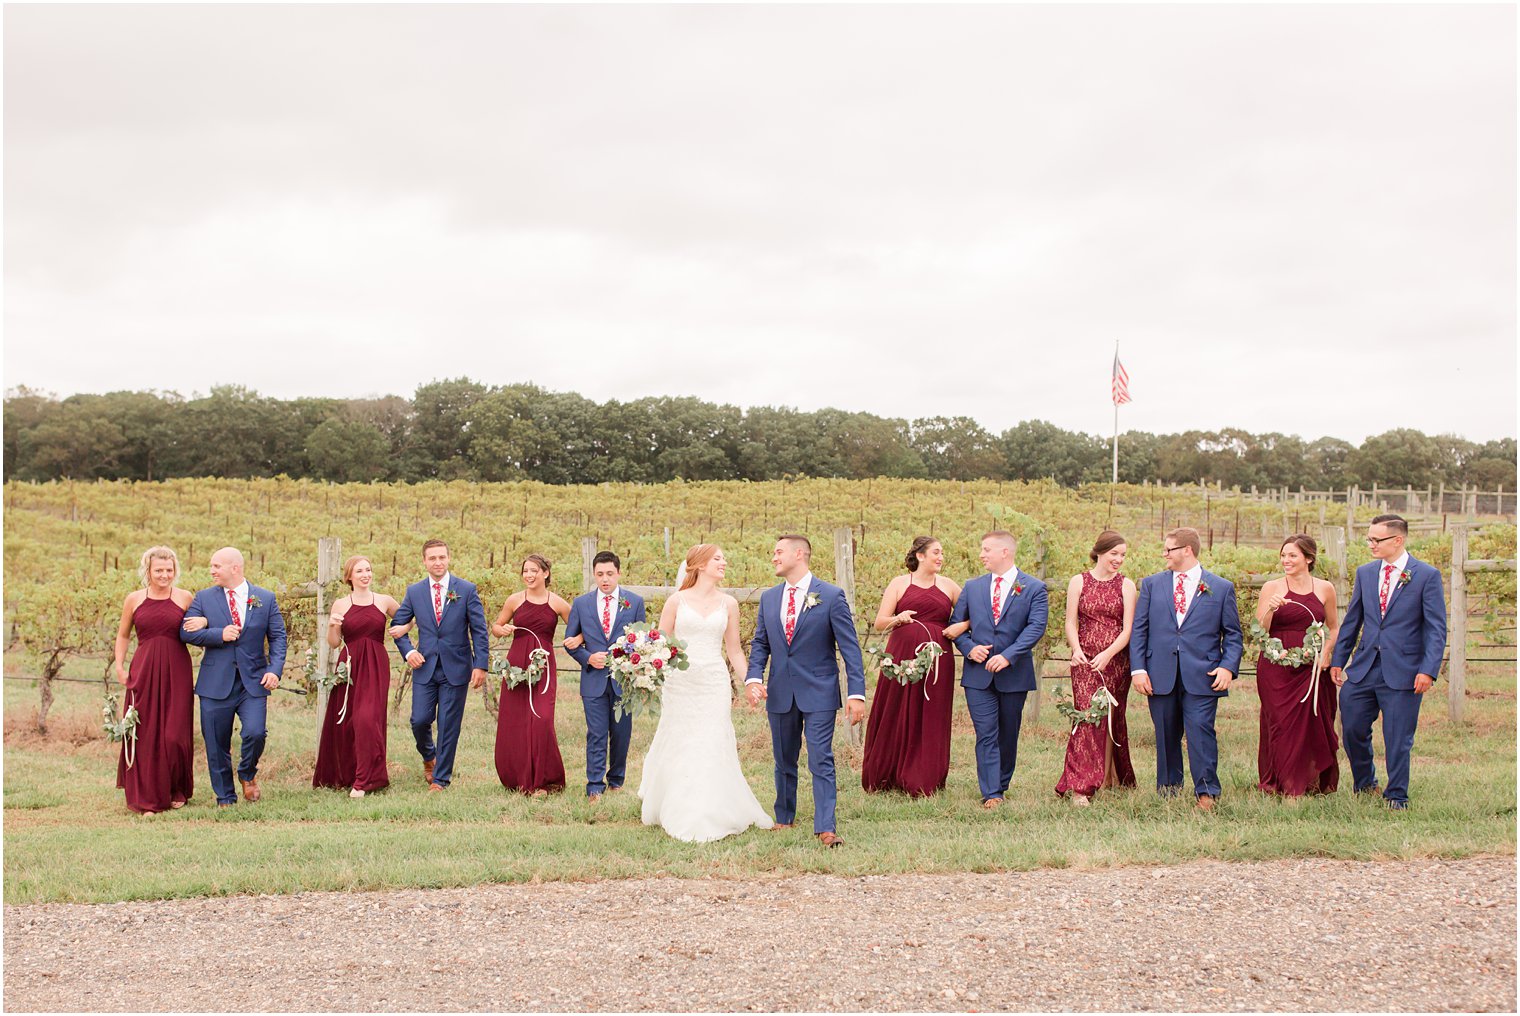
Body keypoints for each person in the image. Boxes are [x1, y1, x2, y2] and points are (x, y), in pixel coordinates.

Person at [640, 544, 774, 841]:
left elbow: (735, 651)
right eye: (718, 558)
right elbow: (660, 645)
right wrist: (645, 672)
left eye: (724, 558)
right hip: (681, 683)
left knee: (712, 740)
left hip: (714, 681)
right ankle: (679, 806)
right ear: (700, 565)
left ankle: (712, 808)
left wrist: (752, 680)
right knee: (683, 740)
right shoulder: (676, 601)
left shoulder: (729, 604)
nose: (724, 562)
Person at [746, 535, 866, 847]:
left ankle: (826, 826)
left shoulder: (830, 595)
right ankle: (785, 817)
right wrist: (753, 678)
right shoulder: (770, 598)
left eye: (778, 552)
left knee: (820, 758)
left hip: (820, 691)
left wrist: (856, 694)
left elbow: (850, 650)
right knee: (783, 758)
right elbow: (761, 643)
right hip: (781, 691)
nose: (773, 557)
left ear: (799, 554)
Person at [1331, 514, 1447, 809]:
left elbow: (1436, 628)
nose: (1370, 544)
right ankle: (1365, 784)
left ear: (1398, 540)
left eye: (1376, 539)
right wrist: (1338, 660)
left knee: (1398, 737)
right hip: (1364, 667)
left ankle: (1397, 795)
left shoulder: (1426, 575)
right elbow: (1353, 620)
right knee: (1353, 728)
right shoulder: (1366, 573)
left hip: (1405, 671)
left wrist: (1428, 670)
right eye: (1368, 538)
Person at [1130, 527, 1243, 810]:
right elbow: (1139, 630)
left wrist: (1227, 667)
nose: (1164, 555)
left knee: (1201, 731)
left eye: (1169, 549)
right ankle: (1168, 790)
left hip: (1203, 674)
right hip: (1159, 673)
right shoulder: (1152, 584)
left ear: (1187, 551)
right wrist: (1138, 669)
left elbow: (1232, 634)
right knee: (1165, 733)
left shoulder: (1220, 587)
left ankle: (1206, 792)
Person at [179, 547, 288, 807]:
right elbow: (186, 633)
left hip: (253, 681)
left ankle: (247, 774)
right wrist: (218, 633)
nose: (212, 570)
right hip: (215, 682)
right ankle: (225, 796)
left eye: (217, 566)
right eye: (212, 566)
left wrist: (274, 670)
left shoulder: (264, 597)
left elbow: (278, 637)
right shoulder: (203, 598)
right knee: (216, 743)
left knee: (255, 733)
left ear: (235, 568)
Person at [948, 530, 1049, 809]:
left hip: (1014, 674)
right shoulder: (973, 586)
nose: (981, 555)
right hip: (977, 676)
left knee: (1008, 733)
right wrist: (970, 649)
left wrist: (1008, 656)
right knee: (986, 732)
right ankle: (991, 792)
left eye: (986, 549)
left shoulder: (1033, 587)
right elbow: (957, 627)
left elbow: (1036, 627)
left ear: (1005, 552)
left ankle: (1001, 782)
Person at [861, 536, 962, 797]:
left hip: (938, 660)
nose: (941, 557)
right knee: (895, 708)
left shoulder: (950, 586)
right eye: (936, 552)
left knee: (931, 713)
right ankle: (886, 773)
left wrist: (960, 626)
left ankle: (923, 777)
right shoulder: (899, 584)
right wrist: (898, 618)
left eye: (942, 553)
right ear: (920, 556)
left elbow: (971, 616)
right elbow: (880, 623)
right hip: (901, 656)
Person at [388, 539, 488, 792]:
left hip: (457, 667)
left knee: (448, 724)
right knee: (419, 720)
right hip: (425, 666)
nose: (438, 562)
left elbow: (479, 630)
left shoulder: (465, 589)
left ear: (449, 558)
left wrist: (481, 665)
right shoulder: (414, 592)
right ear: (424, 561)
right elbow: (397, 627)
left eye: (442, 557)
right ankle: (429, 756)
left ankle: (441, 779)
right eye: (432, 558)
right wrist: (409, 651)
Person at [1254, 535, 1341, 797]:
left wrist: (1326, 651)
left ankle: (1309, 782)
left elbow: (1335, 627)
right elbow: (1261, 631)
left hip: (1312, 666)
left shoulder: (1325, 588)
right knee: (1280, 723)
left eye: (1292, 555)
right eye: (1283, 555)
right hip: (1277, 665)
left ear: (1309, 558)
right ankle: (1283, 784)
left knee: (1312, 723)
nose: (1286, 560)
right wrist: (1269, 609)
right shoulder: (1271, 587)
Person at [1055, 530, 1138, 804]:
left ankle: (1114, 776)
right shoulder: (1079, 581)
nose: (1119, 559)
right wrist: (1076, 649)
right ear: (1100, 552)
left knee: (1113, 716)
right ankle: (1081, 786)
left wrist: (1109, 654)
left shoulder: (1127, 585)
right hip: (1085, 661)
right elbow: (1070, 622)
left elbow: (1128, 630)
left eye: (1123, 555)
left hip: (1115, 661)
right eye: (1114, 553)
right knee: (1087, 718)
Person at [112, 546, 196, 814]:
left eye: (169, 570)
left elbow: (199, 626)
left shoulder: (185, 598)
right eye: (159, 570)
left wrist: (204, 621)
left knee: (174, 733)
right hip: (144, 669)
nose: (164, 575)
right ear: (147, 571)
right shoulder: (134, 599)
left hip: (177, 670)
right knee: (144, 732)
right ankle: (146, 794)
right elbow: (123, 635)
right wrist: (120, 665)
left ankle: (176, 787)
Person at [564, 550, 646, 801]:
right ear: (594, 575)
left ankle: (616, 780)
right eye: (599, 574)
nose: (605, 579)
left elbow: (642, 641)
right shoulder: (581, 604)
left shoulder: (634, 602)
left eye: (610, 573)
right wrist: (588, 657)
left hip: (624, 681)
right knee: (596, 732)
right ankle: (594, 785)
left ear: (619, 573)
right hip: (593, 680)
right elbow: (570, 642)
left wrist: (630, 663)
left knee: (621, 733)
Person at [315, 556, 399, 798]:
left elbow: (407, 617)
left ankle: (365, 781)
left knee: (367, 719)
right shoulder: (341, 604)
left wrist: (403, 628)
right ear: (349, 576)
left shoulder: (384, 601)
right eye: (359, 571)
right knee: (347, 721)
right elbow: (333, 644)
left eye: (368, 570)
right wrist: (332, 626)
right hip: (350, 665)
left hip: (376, 663)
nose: (365, 574)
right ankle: (348, 774)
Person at [491, 554, 570, 797]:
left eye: (534, 570)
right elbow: (495, 628)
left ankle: (544, 781)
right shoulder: (514, 600)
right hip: (516, 665)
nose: (529, 575)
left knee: (542, 719)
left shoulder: (558, 603)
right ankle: (518, 776)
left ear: (546, 573)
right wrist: (502, 630)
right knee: (516, 719)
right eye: (526, 571)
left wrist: (577, 638)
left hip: (543, 666)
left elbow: (580, 629)